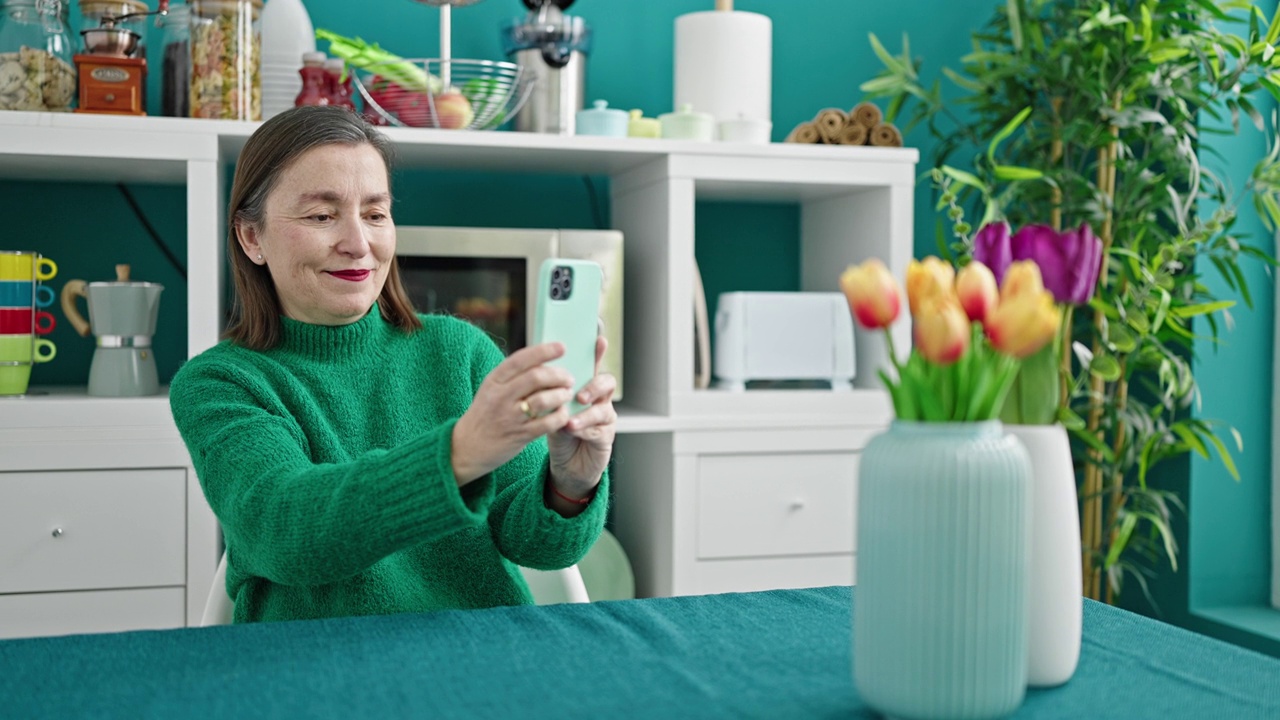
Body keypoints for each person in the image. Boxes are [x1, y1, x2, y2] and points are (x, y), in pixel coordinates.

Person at [169, 106, 617, 623]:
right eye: (321, 215)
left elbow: (540, 549)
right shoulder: (220, 383)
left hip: (479, 655)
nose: (359, 244)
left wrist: (569, 484)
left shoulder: (459, 351)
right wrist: (463, 451)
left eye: (376, 214)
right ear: (252, 238)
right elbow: (280, 529)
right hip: (311, 667)